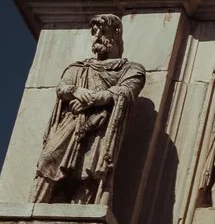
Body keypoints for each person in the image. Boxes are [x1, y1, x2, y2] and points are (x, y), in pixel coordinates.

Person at [33, 13, 148, 203]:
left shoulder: (132, 69)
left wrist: (93, 99)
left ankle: (80, 213)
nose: (96, 37)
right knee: (48, 160)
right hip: (70, 122)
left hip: (100, 126)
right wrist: (76, 90)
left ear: (116, 34)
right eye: (94, 32)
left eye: (102, 31)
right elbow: (62, 88)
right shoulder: (79, 67)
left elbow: (125, 91)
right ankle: (35, 205)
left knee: (88, 173)